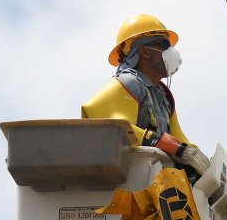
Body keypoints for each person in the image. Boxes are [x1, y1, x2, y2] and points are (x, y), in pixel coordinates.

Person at [82, 14, 211, 175]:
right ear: (144, 51)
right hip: (122, 184)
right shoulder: (127, 83)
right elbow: (115, 130)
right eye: (164, 44)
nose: (171, 51)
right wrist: (171, 146)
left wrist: (204, 162)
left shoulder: (163, 97)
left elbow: (181, 140)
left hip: (151, 182)